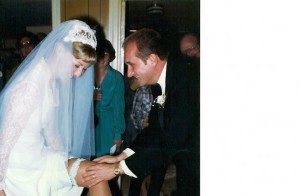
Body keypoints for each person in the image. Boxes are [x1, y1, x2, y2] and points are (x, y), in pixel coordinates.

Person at [0, 20, 112, 196]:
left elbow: (51, 132)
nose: (78, 74)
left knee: (96, 174)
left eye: (83, 69)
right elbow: (3, 144)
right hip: (19, 173)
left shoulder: (51, 82)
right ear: (60, 50)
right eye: (77, 65)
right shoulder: (29, 86)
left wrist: (66, 161)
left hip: (43, 159)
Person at [83, 28, 200, 195]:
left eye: (131, 64)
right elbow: (154, 130)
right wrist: (121, 156)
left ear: (152, 59)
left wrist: (117, 169)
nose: (129, 73)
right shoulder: (162, 83)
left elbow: (173, 139)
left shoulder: (186, 81)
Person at [93, 39, 125, 157]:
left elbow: (119, 108)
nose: (104, 57)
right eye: (100, 53)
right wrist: (91, 98)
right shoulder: (85, 75)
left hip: (109, 127)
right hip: (89, 127)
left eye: (106, 54)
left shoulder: (116, 77)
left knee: (107, 162)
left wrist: (118, 134)